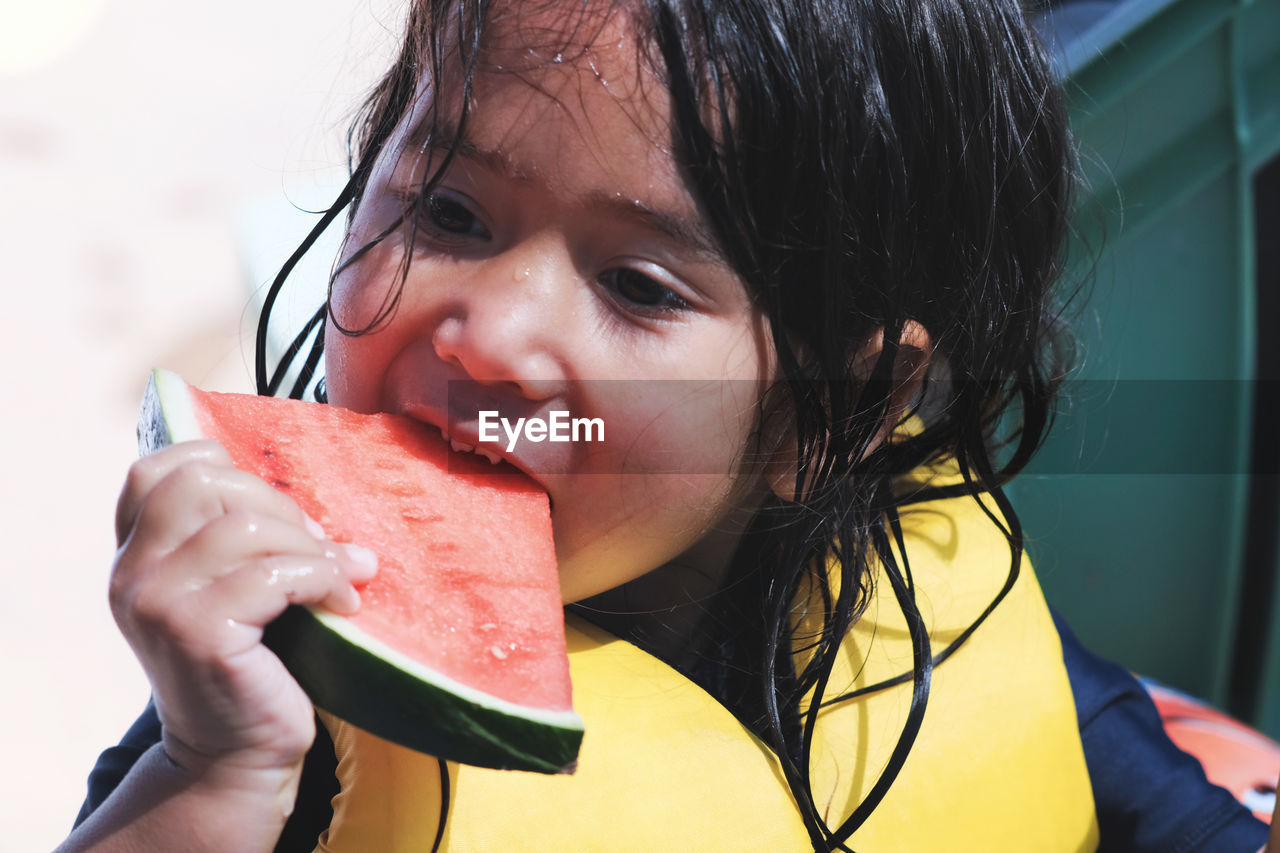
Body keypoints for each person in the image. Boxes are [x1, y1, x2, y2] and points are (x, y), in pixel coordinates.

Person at [59, 0, 1276, 850]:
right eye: (449, 209)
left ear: (840, 410)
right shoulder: (278, 705)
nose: (486, 330)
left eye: (636, 285)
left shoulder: (939, 606)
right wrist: (208, 771)